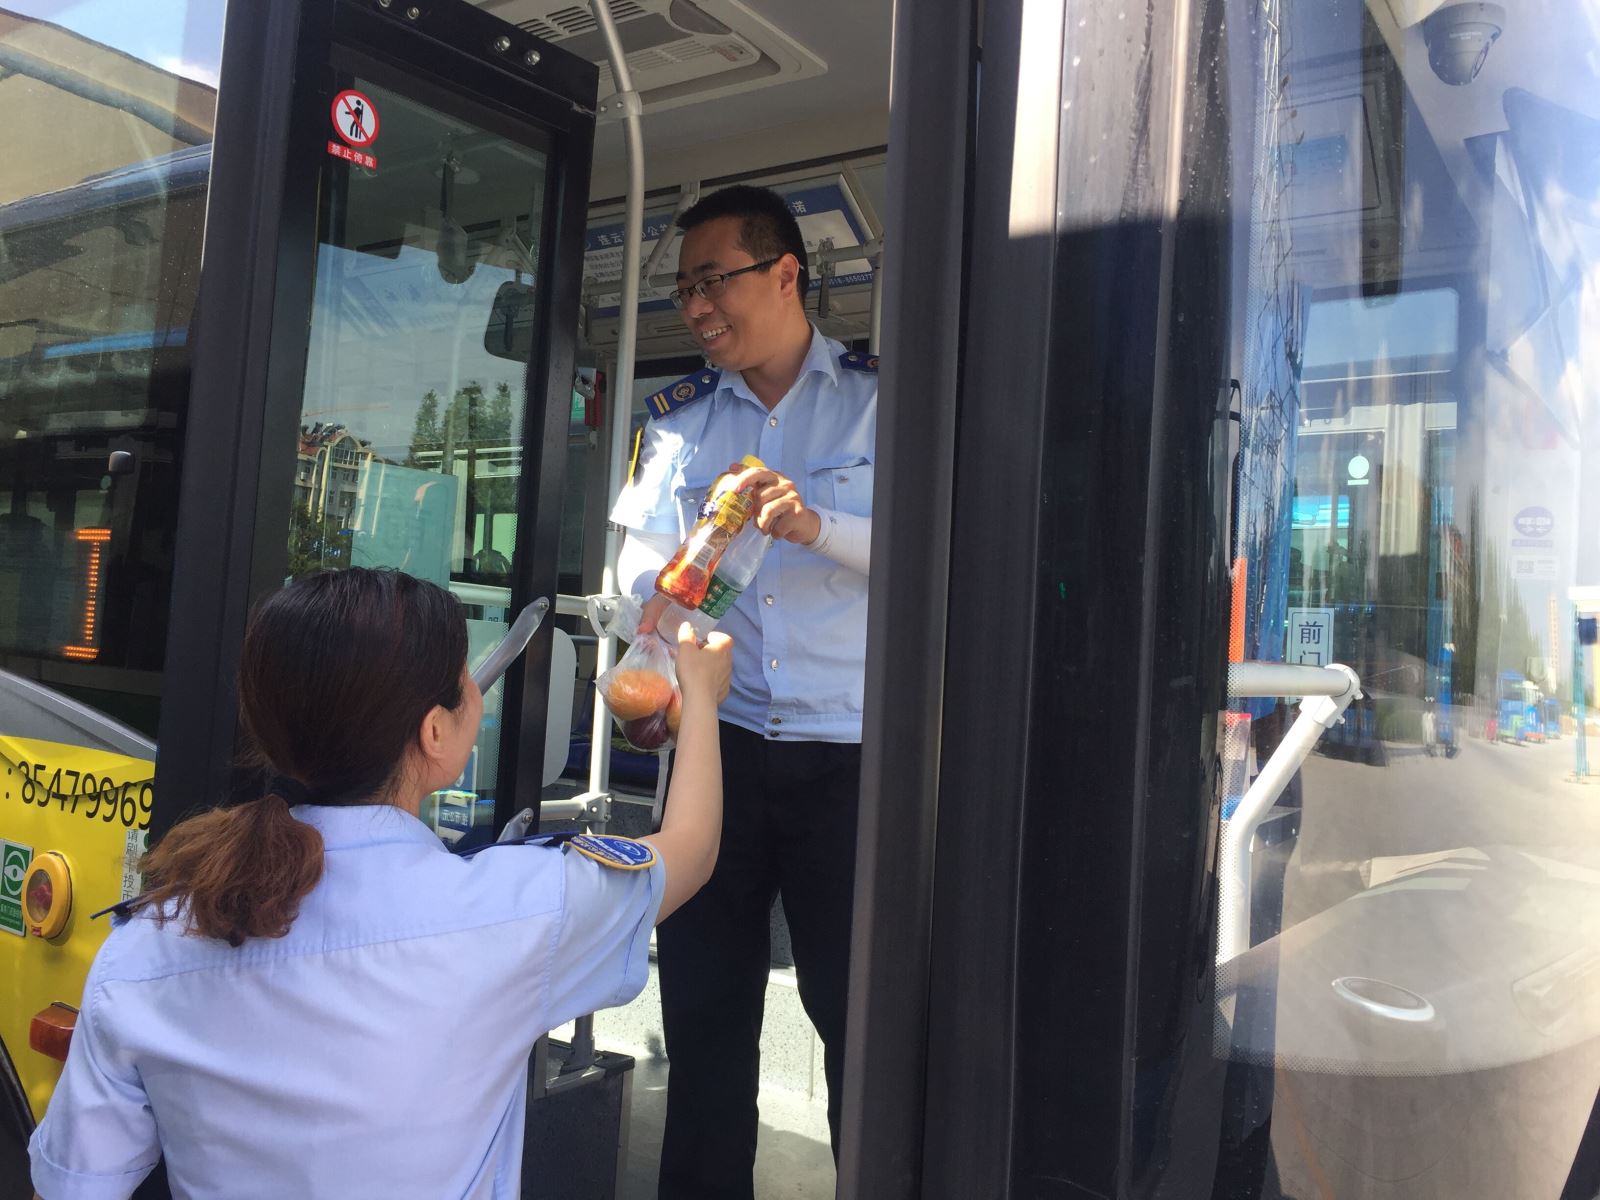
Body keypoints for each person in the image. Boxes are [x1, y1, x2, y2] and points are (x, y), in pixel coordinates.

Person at [28, 567, 731, 1200]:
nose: (476, 691)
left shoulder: (146, 946)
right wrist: (700, 696)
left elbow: (73, 1185)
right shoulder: (517, 912)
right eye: (463, 677)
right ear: (434, 733)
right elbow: (692, 851)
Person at [610, 184, 876, 1198]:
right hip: (715, 753)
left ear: (784, 272)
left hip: (849, 757)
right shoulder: (679, 420)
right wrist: (662, 594)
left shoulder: (880, 401)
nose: (697, 308)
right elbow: (634, 569)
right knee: (704, 1020)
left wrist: (814, 526)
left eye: (713, 280)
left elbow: (936, 557)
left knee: (857, 1023)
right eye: (684, 290)